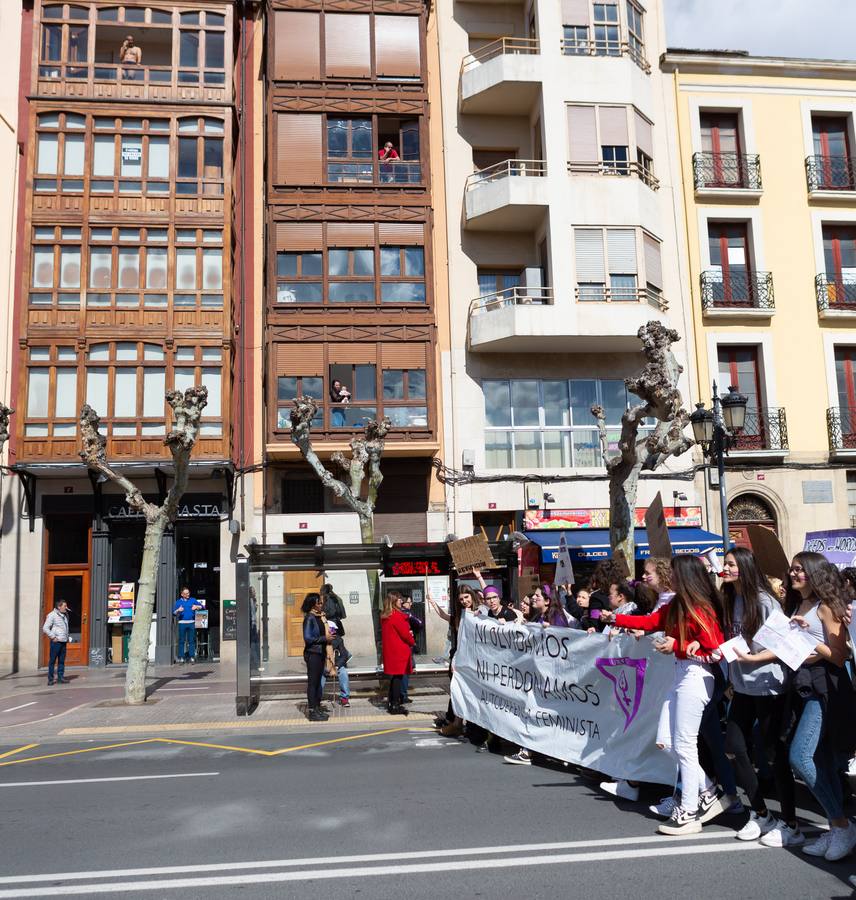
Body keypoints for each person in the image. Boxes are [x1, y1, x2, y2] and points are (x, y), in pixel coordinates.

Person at [736, 552, 856, 860]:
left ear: (814, 573)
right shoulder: (794, 605)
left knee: (799, 757)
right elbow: (784, 649)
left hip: (824, 689)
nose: (793, 573)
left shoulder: (825, 607)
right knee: (822, 762)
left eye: (800, 569)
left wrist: (806, 637)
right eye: (792, 569)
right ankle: (835, 827)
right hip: (799, 686)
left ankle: (843, 826)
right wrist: (752, 658)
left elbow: (839, 656)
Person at [602, 555, 726, 835]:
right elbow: (652, 622)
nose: (670, 578)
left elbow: (716, 651)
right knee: (666, 741)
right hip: (681, 674)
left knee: (684, 744)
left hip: (695, 676)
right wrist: (617, 619)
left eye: (675, 574)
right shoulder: (677, 604)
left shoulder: (700, 608)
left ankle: (689, 812)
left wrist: (678, 646)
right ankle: (707, 791)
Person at [715, 546, 796, 845]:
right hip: (742, 686)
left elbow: (785, 648)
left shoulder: (765, 602)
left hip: (769, 686)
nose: (726, 567)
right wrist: (730, 672)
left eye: (732, 564)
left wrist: (752, 660)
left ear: (745, 568)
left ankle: (791, 823)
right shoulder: (730, 599)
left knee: (775, 755)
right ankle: (761, 813)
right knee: (733, 747)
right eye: (725, 563)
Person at [381, 590, 415, 715]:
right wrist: (412, 641)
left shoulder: (386, 615)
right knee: (398, 678)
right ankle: (395, 705)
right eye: (400, 599)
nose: (402, 601)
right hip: (399, 651)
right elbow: (405, 634)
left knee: (394, 678)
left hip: (392, 651)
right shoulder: (397, 616)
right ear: (394, 601)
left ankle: (391, 703)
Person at [302, 592, 336, 721]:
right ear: (313, 604)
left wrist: (330, 634)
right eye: (319, 603)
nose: (322, 605)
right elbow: (308, 638)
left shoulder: (321, 617)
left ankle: (316, 707)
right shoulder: (309, 618)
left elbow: (322, 633)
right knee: (313, 683)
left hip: (321, 652)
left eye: (322, 602)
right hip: (313, 653)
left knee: (317, 683)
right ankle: (312, 711)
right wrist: (324, 638)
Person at [320, 621, 351, 708]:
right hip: (323, 665)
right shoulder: (320, 640)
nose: (333, 632)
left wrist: (337, 666)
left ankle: (344, 698)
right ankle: (317, 697)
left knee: (344, 673)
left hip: (336, 665)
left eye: (334, 630)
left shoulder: (338, 640)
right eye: (331, 630)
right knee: (320, 676)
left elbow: (344, 655)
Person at [42, 600, 71, 685]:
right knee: (52, 661)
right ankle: (50, 679)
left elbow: (65, 627)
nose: (66, 607)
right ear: (59, 607)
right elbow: (45, 628)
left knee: (61, 661)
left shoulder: (64, 615)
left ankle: (60, 677)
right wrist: (53, 637)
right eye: (64, 606)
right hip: (56, 642)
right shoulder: (52, 615)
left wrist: (67, 637)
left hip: (63, 641)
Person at [400, 595, 422, 704]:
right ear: (403, 603)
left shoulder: (395, 613)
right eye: (409, 602)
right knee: (405, 671)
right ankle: (403, 695)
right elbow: (419, 623)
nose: (411, 604)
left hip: (402, 647)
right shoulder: (406, 613)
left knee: (404, 671)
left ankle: (401, 694)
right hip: (406, 647)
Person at [173, 587, 202, 664]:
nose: (188, 594)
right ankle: (181, 657)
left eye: (188, 593)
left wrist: (197, 607)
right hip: (182, 623)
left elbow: (202, 606)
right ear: (182, 594)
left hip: (191, 623)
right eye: (186, 593)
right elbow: (174, 613)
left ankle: (191, 657)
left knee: (191, 641)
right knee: (181, 641)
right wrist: (178, 610)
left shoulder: (193, 600)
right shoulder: (178, 602)